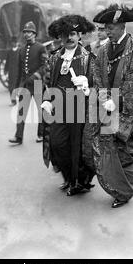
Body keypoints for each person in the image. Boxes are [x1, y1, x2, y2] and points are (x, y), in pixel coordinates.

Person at [91, 4, 133, 208]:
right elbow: (97, 73)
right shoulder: (104, 49)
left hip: (129, 112)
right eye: (106, 28)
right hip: (107, 107)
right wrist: (104, 96)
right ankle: (118, 189)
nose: (107, 31)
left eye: (111, 28)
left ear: (122, 26)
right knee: (108, 148)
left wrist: (116, 101)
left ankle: (125, 192)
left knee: (125, 152)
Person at [41, 14, 96, 196]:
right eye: (65, 34)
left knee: (77, 148)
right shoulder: (55, 57)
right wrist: (47, 100)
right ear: (60, 37)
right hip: (60, 108)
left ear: (79, 35)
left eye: (73, 34)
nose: (69, 38)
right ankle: (68, 177)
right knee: (57, 144)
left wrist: (87, 83)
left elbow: (98, 83)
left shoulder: (88, 57)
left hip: (81, 107)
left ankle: (78, 182)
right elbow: (49, 83)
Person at [8, 21, 47, 145]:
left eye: (29, 32)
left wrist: (35, 76)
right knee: (21, 111)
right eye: (25, 32)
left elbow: (45, 66)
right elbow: (19, 71)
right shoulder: (21, 50)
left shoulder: (41, 48)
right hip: (25, 85)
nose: (27, 34)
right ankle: (18, 136)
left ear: (34, 34)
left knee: (41, 110)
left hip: (37, 85)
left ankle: (41, 134)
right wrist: (16, 87)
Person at [4, 36, 20, 106]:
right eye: (13, 43)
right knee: (11, 87)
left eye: (15, 42)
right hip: (11, 72)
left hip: (19, 72)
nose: (14, 44)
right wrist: (5, 70)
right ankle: (13, 101)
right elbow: (7, 62)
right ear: (11, 43)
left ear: (17, 43)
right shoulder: (9, 52)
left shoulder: (20, 51)